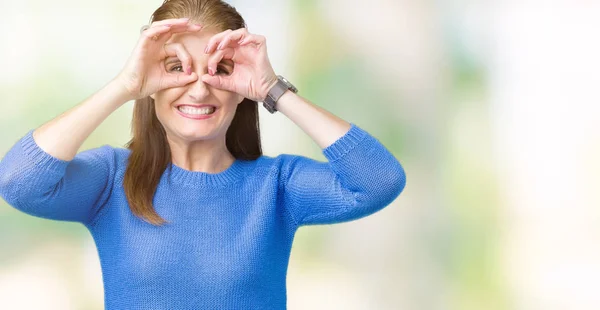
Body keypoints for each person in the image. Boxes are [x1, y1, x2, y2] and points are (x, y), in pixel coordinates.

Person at [0, 0, 406, 308]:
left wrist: (273, 89)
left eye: (220, 69)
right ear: (149, 84)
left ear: (242, 87)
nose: (198, 88)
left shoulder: (277, 186)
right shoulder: (110, 180)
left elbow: (379, 181)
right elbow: (18, 182)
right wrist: (124, 85)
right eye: (175, 67)